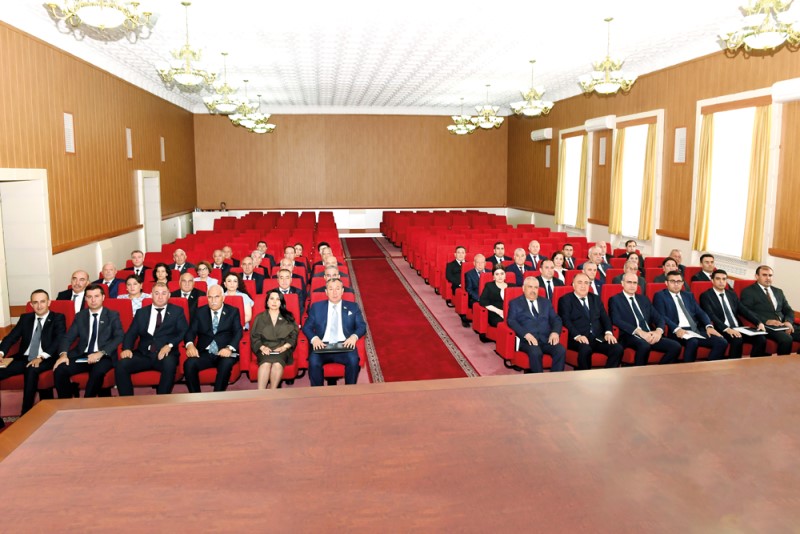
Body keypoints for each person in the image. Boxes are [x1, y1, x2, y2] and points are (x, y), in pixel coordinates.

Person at [0, 289, 66, 419]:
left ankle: (25, 415)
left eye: (42, 302)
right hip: (24, 358)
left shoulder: (58, 318)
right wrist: (1, 352)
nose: (39, 306)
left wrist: (41, 357)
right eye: (35, 302)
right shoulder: (25, 318)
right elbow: (11, 337)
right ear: (31, 304)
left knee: (31, 369)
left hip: (47, 357)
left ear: (49, 302)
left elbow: (59, 340)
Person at [116, 282, 189, 396]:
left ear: (169, 295)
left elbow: (183, 331)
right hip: (143, 354)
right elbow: (131, 333)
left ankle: (162, 400)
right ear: (151, 295)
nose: (160, 297)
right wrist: (127, 348)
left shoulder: (177, 311)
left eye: (163, 293)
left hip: (165, 353)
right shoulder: (141, 312)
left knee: (169, 364)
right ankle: (127, 401)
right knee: (121, 365)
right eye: (157, 293)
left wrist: (169, 345)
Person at [53, 284, 123, 398]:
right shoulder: (80, 316)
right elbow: (68, 338)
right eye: (89, 297)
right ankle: (65, 402)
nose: (93, 300)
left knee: (97, 372)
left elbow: (119, 336)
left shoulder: (112, 315)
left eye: (96, 296)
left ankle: (86, 402)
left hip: (104, 356)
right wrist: (63, 354)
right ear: (85, 298)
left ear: (103, 297)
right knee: (60, 369)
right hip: (82, 355)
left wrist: (101, 353)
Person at [302, 279, 367, 386]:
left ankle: (350, 391)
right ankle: (318, 392)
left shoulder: (353, 306)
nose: (334, 292)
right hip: (322, 345)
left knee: (353, 360)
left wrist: (353, 337)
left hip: (344, 345)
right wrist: (314, 339)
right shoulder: (316, 307)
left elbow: (362, 326)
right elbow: (307, 327)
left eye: (337, 289)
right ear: (326, 292)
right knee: (313, 361)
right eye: (331, 289)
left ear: (342, 291)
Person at [652, 271, 728, 362]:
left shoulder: (688, 295)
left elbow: (701, 312)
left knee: (721, 342)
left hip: (695, 329)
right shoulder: (660, 296)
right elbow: (662, 316)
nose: (676, 284)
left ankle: (709, 367)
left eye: (679, 281)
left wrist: (709, 326)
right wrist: (677, 329)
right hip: (676, 330)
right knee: (693, 341)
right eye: (672, 281)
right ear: (666, 283)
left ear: (682, 283)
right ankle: (688, 368)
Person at [608, 273, 681, 366]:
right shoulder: (615, 299)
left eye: (635, 283)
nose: (632, 285)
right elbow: (616, 320)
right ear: (622, 283)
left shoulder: (643, 299)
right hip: (629, 335)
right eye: (629, 282)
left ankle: (659, 371)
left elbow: (659, 318)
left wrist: (658, 331)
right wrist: (639, 332)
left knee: (675, 346)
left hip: (649, 333)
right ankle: (640, 373)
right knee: (644, 346)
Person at [183, 285, 243, 393]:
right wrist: (190, 345)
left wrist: (229, 348)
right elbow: (190, 331)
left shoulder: (233, 311)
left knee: (225, 364)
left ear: (223, 297)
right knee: (189, 364)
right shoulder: (200, 312)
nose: (213, 301)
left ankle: (217, 396)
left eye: (216, 297)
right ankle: (195, 396)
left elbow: (238, 332)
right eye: (210, 297)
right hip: (204, 352)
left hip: (224, 352)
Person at [557, 273, 623, 370]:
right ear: (573, 285)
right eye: (580, 282)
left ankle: (607, 375)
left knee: (617, 348)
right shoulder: (565, 300)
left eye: (586, 283)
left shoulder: (595, 298)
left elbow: (605, 318)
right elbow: (565, 321)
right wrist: (577, 336)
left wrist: (608, 332)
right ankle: (585, 377)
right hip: (577, 338)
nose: (583, 286)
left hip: (598, 338)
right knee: (585, 350)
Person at [699, 269, 767, 359]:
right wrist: (727, 329)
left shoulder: (731, 294)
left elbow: (744, 310)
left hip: (738, 327)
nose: (721, 281)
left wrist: (758, 322)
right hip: (721, 328)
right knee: (737, 339)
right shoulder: (706, 296)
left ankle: (754, 364)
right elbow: (711, 315)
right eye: (718, 279)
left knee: (761, 339)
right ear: (712, 280)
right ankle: (734, 365)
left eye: (724, 279)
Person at [506, 277, 566, 373]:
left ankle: (555, 379)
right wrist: (526, 334)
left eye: (536, 287)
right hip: (527, 341)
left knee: (560, 350)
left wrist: (555, 332)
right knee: (536, 352)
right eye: (530, 287)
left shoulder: (546, 302)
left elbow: (556, 319)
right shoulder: (515, 303)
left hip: (546, 339)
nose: (533, 290)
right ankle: (537, 379)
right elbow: (511, 321)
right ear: (523, 288)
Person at [740, 265, 800, 355]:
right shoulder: (749, 291)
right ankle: (781, 364)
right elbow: (746, 311)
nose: (768, 278)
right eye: (764, 275)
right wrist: (766, 321)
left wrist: (788, 321)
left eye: (770, 275)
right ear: (757, 276)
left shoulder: (778, 291)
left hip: (783, 324)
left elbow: (788, 309)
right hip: (766, 326)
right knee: (786, 339)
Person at [251, 290, 299, 390]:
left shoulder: (288, 317)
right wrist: (262, 347)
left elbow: (293, 335)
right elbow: (254, 336)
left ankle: (273, 392)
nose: (274, 302)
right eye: (272, 299)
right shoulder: (260, 317)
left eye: (278, 299)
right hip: (265, 348)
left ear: (281, 302)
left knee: (277, 364)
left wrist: (284, 347)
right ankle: (260, 393)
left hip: (282, 348)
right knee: (265, 364)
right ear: (267, 302)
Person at [463, 254, 488, 327]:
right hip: (476, 297)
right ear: (474, 263)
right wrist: (479, 298)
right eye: (478, 262)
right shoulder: (469, 274)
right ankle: (479, 325)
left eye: (482, 262)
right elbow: (469, 289)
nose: (480, 264)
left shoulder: (491, 273)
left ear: (485, 263)